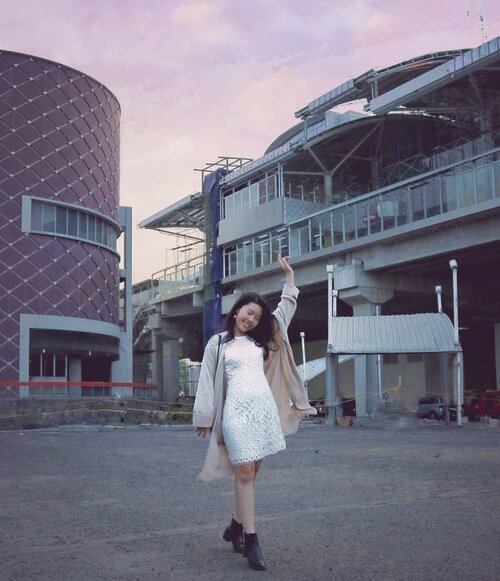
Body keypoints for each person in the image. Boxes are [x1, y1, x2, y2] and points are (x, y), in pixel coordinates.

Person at [193, 257, 317, 571]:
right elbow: (207, 379)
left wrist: (289, 278)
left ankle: (234, 526)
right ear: (236, 311)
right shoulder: (218, 344)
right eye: (248, 312)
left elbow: (286, 307)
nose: (251, 318)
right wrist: (204, 418)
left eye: (257, 316)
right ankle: (251, 540)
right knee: (245, 473)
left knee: (251, 473)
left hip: (263, 411)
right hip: (235, 413)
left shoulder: (262, 338)